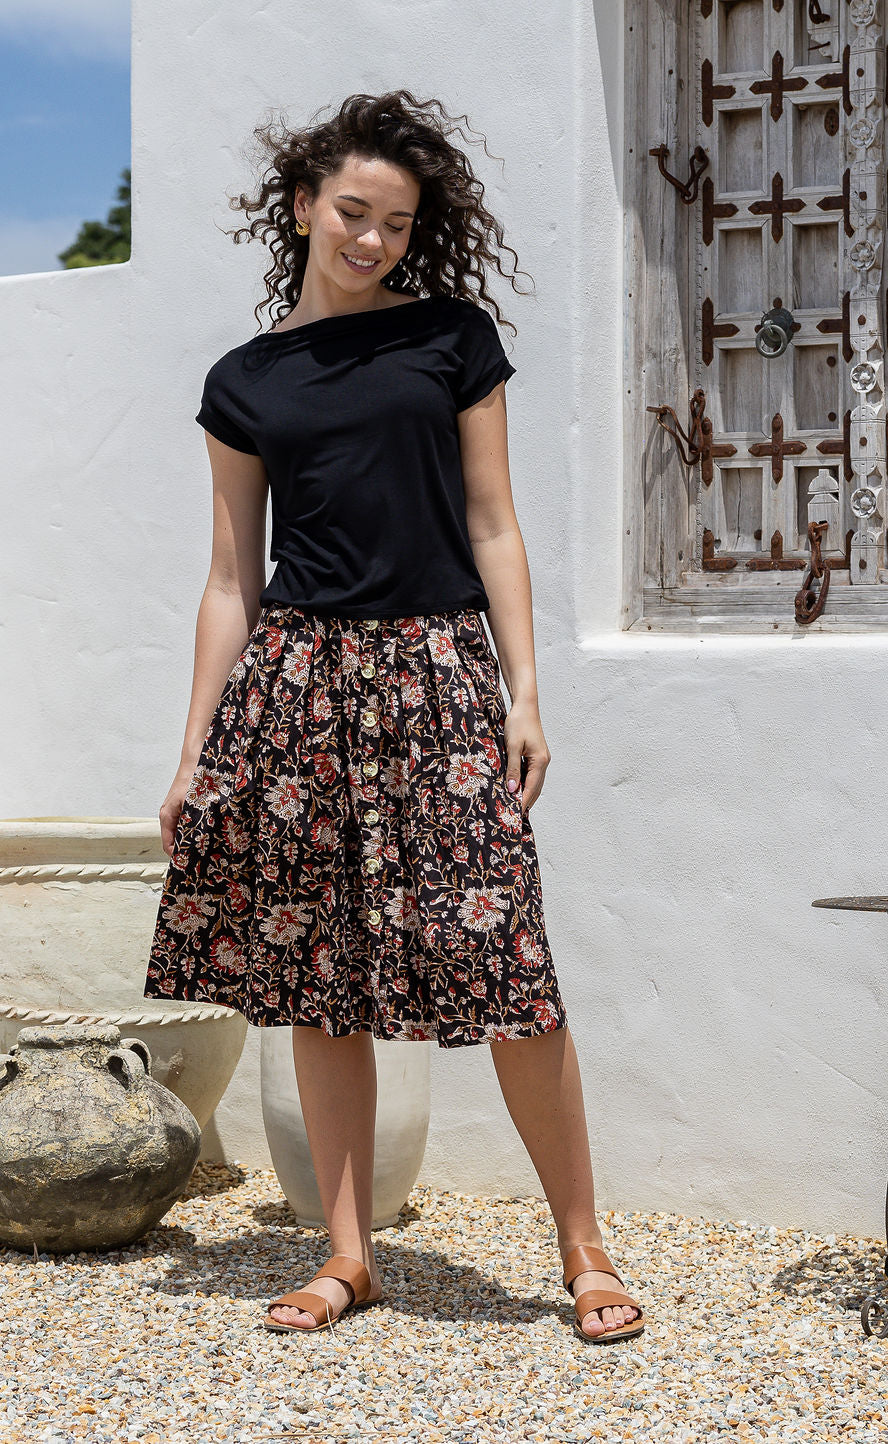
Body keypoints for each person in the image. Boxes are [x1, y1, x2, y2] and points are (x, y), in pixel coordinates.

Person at [143, 89, 645, 1345]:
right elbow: (229, 579)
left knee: (512, 973)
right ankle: (349, 1255)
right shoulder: (245, 381)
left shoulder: (452, 339)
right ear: (305, 203)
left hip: (439, 674)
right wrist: (197, 751)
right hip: (298, 685)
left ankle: (580, 1244)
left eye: (396, 223)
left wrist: (524, 691)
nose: (371, 240)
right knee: (322, 981)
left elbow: (493, 522)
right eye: (352, 213)